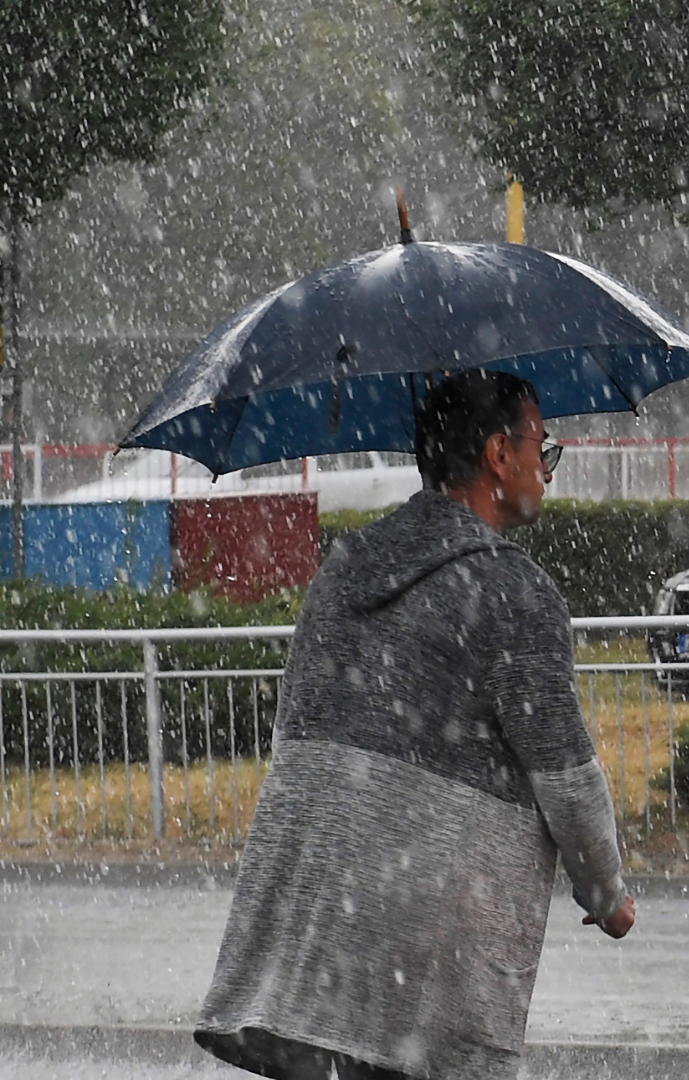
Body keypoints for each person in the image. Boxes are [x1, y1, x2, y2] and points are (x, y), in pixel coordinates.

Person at [195, 369, 635, 1080]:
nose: (545, 470)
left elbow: (297, 731)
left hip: (327, 914)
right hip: (435, 935)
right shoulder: (516, 593)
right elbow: (565, 778)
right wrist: (607, 894)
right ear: (498, 455)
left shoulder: (342, 570)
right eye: (541, 449)